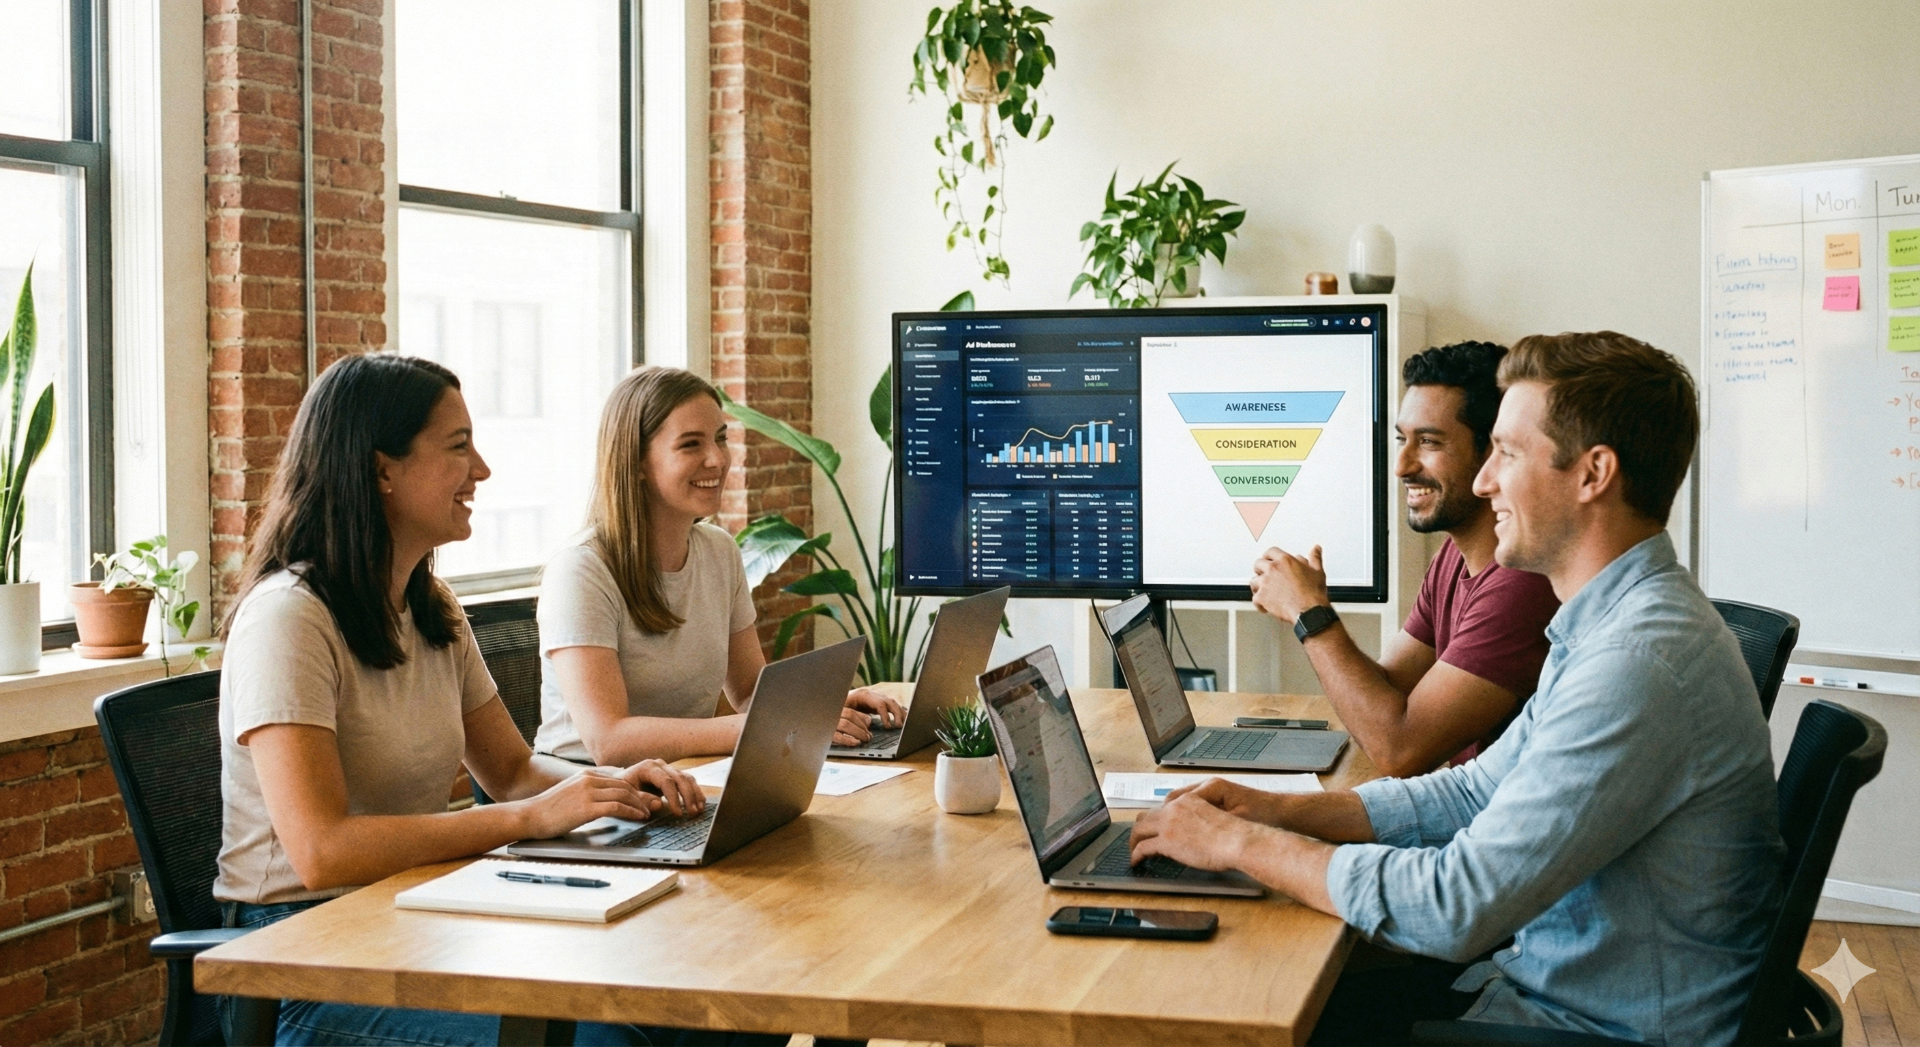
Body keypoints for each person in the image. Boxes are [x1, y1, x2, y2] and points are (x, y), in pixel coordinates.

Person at [1131, 332, 1784, 1046]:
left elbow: (1455, 904)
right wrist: (1278, 811)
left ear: (1593, 472)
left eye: (1506, 453)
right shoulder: (1609, 626)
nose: (1483, 482)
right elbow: (1472, 792)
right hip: (1547, 991)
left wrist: (1241, 844)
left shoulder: (1636, 661)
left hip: (1589, 1027)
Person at [215, 354, 766, 1046]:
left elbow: (512, 769)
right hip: (297, 957)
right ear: (382, 469)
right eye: (457, 447)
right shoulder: (289, 618)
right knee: (606, 1039)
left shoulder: (430, 604)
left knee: (714, 1010)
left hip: (406, 917)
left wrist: (616, 787)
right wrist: (528, 818)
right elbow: (322, 850)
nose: (481, 469)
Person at [534, 366, 903, 768]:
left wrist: (824, 704)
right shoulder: (581, 571)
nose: (717, 459)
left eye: (721, 439)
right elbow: (610, 741)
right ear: (636, 461)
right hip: (588, 791)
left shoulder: (719, 550)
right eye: (691, 445)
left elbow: (748, 689)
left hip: (680, 778)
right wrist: (776, 722)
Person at [1249, 342, 1559, 776]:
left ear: (1493, 451)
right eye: (1402, 439)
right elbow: (1386, 691)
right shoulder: (1454, 554)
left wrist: (1309, 613)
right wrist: (1309, 604)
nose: (1401, 466)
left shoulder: (1522, 583)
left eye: (1429, 441)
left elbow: (1399, 750)